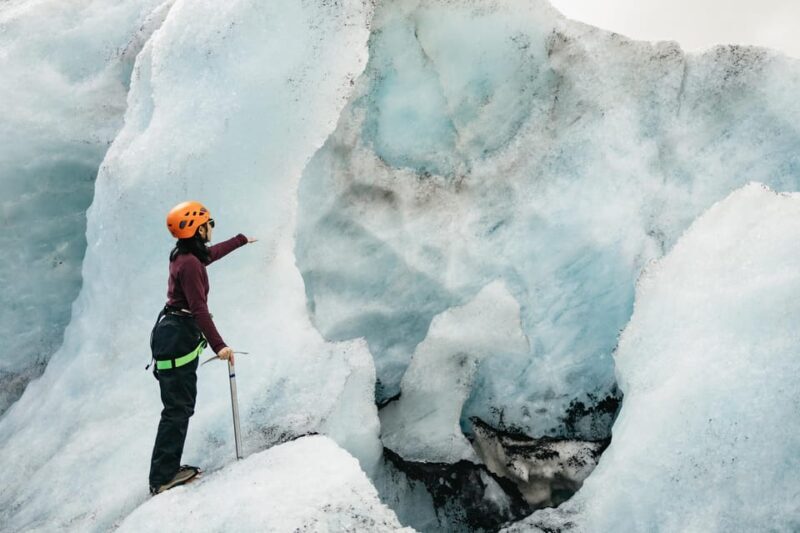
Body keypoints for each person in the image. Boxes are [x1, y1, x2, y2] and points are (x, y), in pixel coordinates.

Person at [148, 200, 255, 495]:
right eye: (210, 223)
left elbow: (209, 254)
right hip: (177, 337)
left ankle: (165, 471)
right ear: (197, 228)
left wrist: (240, 240)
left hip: (173, 333)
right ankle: (162, 477)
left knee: (178, 407)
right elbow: (199, 309)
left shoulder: (185, 256)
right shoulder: (191, 264)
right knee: (177, 409)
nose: (211, 227)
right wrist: (219, 346)